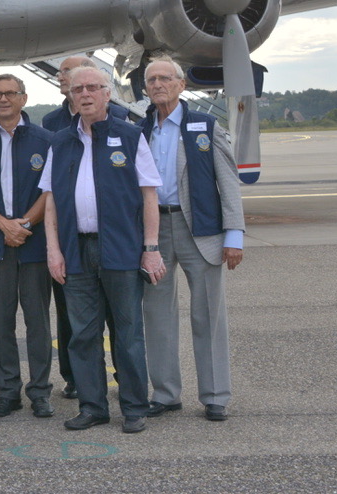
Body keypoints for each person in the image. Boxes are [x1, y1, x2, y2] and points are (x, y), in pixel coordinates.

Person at [42, 66, 165, 434]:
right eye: (78, 89)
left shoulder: (129, 136)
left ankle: (133, 407)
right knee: (82, 334)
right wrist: (53, 250)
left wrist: (151, 249)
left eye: (93, 87)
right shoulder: (60, 142)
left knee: (127, 333)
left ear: (108, 94)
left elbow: (149, 196)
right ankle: (93, 406)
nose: (85, 94)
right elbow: (49, 202)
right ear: (70, 96)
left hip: (121, 250)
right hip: (76, 250)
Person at [140, 57, 245, 422]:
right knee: (156, 314)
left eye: (165, 78)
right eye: (151, 80)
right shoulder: (140, 129)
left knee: (208, 314)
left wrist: (234, 234)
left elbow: (228, 181)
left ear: (182, 85)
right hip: (154, 231)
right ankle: (166, 394)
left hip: (199, 228)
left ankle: (215, 395)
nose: (157, 85)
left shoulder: (205, 125)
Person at [0, 74, 55, 419]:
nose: (3, 99)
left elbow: (50, 191)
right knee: (0, 322)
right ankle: (8, 392)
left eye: (10, 94)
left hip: (33, 244)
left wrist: (26, 225)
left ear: (23, 98)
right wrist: (4, 225)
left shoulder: (46, 141)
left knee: (37, 321)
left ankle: (40, 392)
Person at [41, 54, 128, 399]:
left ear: (104, 89)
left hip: (112, 241)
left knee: (120, 320)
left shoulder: (122, 123)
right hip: (71, 240)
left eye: (89, 83)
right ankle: (78, 381)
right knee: (73, 319)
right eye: (66, 75)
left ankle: (126, 381)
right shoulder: (53, 125)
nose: (74, 83)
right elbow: (50, 186)